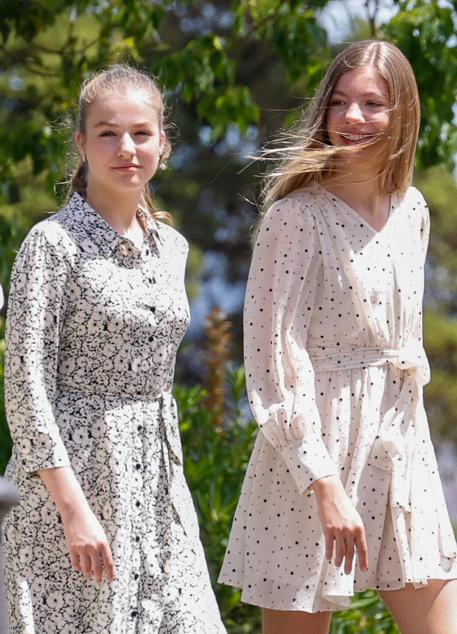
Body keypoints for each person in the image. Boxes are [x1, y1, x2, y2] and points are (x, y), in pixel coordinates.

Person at [219, 40, 457, 634]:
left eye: (373, 103)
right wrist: (322, 482)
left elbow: (401, 345)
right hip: (312, 455)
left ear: (402, 113)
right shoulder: (295, 216)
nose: (353, 117)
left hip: (401, 446)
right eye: (341, 102)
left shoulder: (414, 209)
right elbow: (273, 359)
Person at [2, 64, 225, 633]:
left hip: (157, 484)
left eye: (141, 133)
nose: (126, 148)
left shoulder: (171, 248)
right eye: (107, 133)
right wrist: (73, 510)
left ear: (163, 144)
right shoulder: (51, 244)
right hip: (74, 485)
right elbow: (25, 388)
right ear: (82, 143)